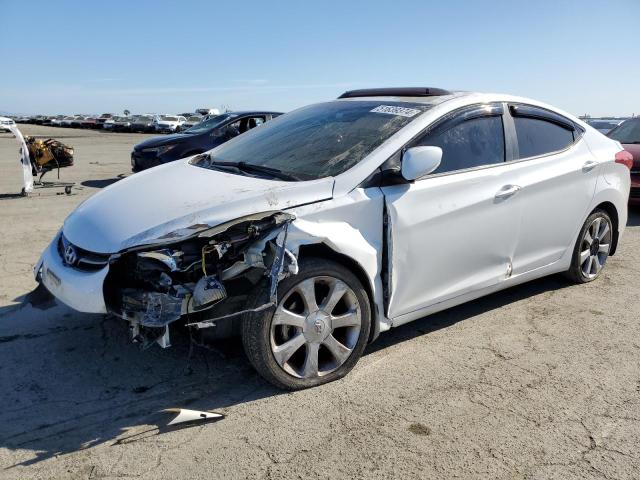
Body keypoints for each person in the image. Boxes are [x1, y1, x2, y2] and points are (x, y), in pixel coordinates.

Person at [8, 123, 33, 195]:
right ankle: (26, 189)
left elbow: (21, 152)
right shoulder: (28, 147)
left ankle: (26, 189)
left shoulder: (27, 147)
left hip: (29, 164)